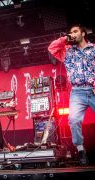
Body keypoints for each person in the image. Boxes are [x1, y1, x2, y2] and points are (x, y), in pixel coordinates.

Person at [48, 24, 95, 166]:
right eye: (71, 32)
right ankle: (81, 150)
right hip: (77, 92)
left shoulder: (93, 49)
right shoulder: (67, 51)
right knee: (73, 120)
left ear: (83, 33)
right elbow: (51, 48)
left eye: (75, 31)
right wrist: (65, 38)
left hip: (93, 89)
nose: (73, 34)